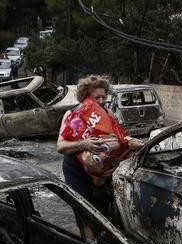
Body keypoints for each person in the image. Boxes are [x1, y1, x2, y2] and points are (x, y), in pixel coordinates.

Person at [57, 74, 144, 219]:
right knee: (84, 211)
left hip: (102, 172)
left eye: (104, 97)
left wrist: (129, 142)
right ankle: (88, 238)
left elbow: (119, 137)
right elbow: (60, 146)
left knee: (101, 211)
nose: (102, 101)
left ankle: (100, 238)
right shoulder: (73, 115)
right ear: (85, 96)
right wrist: (83, 144)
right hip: (76, 170)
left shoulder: (107, 113)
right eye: (96, 98)